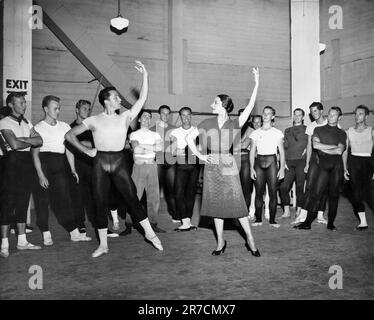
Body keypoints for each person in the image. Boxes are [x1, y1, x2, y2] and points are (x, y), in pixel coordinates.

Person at [65, 61, 163, 258]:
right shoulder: (93, 120)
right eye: (116, 97)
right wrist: (88, 151)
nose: (119, 99)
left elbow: (142, 99)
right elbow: (69, 135)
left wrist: (145, 75)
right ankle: (103, 245)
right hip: (100, 162)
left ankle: (151, 235)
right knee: (99, 203)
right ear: (107, 100)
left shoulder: (125, 116)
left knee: (132, 199)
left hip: (119, 162)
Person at [186, 67, 260, 257]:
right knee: (216, 206)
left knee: (238, 205)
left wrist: (256, 83)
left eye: (216, 102)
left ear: (225, 106)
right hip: (211, 167)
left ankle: (250, 240)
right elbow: (188, 139)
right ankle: (220, 241)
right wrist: (201, 157)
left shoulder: (234, 123)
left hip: (227, 165)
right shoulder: (206, 123)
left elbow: (251, 107)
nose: (212, 104)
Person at [32, 95, 92, 246]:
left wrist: (73, 169)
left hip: (60, 164)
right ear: (46, 109)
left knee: (64, 200)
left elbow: (69, 150)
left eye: (59, 108)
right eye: (55, 108)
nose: (58, 111)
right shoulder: (38, 128)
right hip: (44, 164)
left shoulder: (65, 126)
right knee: (43, 200)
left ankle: (74, 233)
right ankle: (46, 232)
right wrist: (40, 174)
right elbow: (35, 154)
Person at [0, 93, 43, 258]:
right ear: (11, 105)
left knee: (22, 203)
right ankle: (4, 245)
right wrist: (29, 141)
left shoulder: (27, 122)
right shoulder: (4, 122)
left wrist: (24, 139)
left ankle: (22, 241)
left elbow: (40, 141)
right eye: (21, 102)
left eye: (24, 102)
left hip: (26, 163)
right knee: (8, 203)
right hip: (11, 164)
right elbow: (14, 145)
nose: (24, 105)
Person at [295, 107, 346, 231]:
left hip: (336, 167)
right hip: (323, 165)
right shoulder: (319, 129)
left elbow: (340, 151)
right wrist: (333, 146)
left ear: (339, 118)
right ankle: (307, 223)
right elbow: (315, 145)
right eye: (330, 114)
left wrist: (326, 148)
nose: (331, 116)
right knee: (316, 194)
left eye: (334, 115)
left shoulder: (341, 133)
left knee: (333, 196)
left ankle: (331, 223)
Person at [129, 109, 165, 233]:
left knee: (154, 197)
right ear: (139, 119)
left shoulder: (155, 135)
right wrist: (152, 148)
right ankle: (129, 224)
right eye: (144, 116)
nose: (147, 119)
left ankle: (153, 223)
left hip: (152, 167)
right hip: (138, 167)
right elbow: (136, 150)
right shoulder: (134, 134)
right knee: (134, 196)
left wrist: (143, 146)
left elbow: (160, 148)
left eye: (149, 117)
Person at [293, 102, 328, 225]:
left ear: (321, 111)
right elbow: (309, 145)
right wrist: (307, 163)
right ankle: (302, 215)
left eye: (316, 111)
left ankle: (320, 215)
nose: (314, 114)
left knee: (324, 189)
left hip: (328, 159)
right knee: (309, 186)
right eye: (312, 111)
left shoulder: (330, 123)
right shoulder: (310, 126)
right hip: (315, 157)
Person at [249, 106, 285, 228]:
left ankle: (272, 220)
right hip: (259, 162)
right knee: (258, 192)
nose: (265, 115)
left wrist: (281, 169)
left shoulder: (277, 132)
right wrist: (251, 168)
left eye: (268, 114)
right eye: (264, 113)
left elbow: (282, 151)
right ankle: (258, 219)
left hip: (272, 162)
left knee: (273, 192)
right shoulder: (255, 133)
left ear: (273, 116)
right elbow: (252, 151)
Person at [343, 105, 374, 230]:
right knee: (355, 195)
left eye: (360, 114)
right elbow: (345, 151)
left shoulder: (371, 131)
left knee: (370, 195)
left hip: (368, 162)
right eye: (356, 114)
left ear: (366, 116)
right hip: (354, 162)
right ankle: (363, 222)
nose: (357, 116)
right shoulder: (348, 131)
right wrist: (345, 168)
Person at [170, 107, 200, 231]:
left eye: (188, 115)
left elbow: (200, 149)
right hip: (181, 165)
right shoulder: (175, 132)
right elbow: (172, 151)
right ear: (180, 116)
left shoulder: (197, 131)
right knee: (178, 192)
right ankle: (184, 219)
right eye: (183, 115)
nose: (186, 118)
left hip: (194, 165)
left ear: (191, 116)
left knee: (191, 193)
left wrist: (184, 150)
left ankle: (187, 221)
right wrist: (187, 150)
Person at [279, 108, 307, 219]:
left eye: (299, 115)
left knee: (300, 186)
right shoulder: (287, 130)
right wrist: (283, 161)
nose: (296, 117)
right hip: (289, 161)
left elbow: (310, 144)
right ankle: (286, 211)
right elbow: (284, 147)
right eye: (295, 115)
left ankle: (299, 210)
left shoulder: (307, 129)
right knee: (283, 186)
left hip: (301, 160)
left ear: (303, 117)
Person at [151, 105, 177, 222]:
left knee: (171, 190)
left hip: (171, 162)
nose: (165, 116)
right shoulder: (152, 129)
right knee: (155, 190)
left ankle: (175, 215)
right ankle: (152, 217)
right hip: (158, 162)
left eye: (167, 113)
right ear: (159, 114)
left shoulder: (175, 129)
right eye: (163, 113)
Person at [237, 108, 254, 210]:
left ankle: (245, 210)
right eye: (241, 115)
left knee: (245, 186)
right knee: (234, 186)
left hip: (245, 159)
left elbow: (244, 145)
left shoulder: (251, 130)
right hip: (233, 159)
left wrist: (233, 144)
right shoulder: (234, 128)